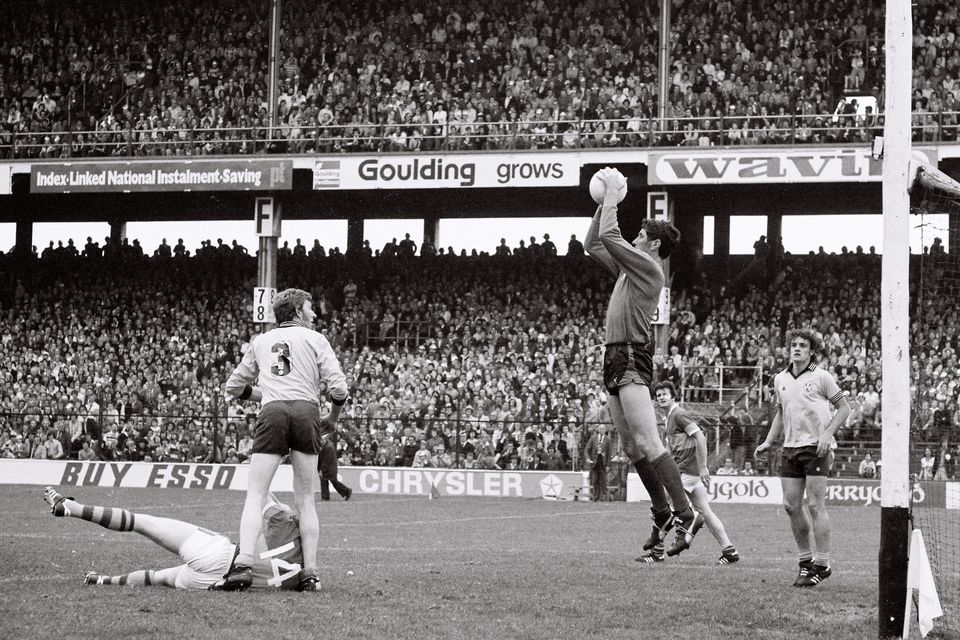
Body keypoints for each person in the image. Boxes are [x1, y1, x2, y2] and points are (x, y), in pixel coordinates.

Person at [584, 167, 703, 557]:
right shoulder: (629, 268)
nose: (633, 240)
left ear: (651, 245)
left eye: (639, 236)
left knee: (650, 442)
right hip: (614, 356)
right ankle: (662, 512)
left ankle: (685, 513)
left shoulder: (648, 267)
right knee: (633, 448)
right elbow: (592, 242)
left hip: (632, 355)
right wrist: (603, 201)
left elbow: (607, 235)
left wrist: (614, 197)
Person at [219, 288, 349, 592]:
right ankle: (310, 574)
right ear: (297, 312)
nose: (314, 313)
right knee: (305, 499)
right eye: (310, 308)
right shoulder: (316, 339)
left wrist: (272, 395)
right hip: (307, 412)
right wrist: (332, 417)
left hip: (272, 413)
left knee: (256, 494)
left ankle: (244, 566)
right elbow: (339, 389)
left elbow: (234, 387)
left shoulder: (260, 341)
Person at [43, 487, 303, 590]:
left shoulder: (285, 521)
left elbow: (261, 494)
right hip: (211, 584)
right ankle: (102, 580)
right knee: (159, 578)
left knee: (141, 522)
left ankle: (70, 508)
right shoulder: (300, 577)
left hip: (224, 557)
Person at [756, 328, 849, 588]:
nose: (796, 348)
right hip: (790, 448)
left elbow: (844, 408)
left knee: (815, 505)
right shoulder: (780, 379)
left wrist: (828, 435)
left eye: (802, 345)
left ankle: (823, 563)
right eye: (793, 344)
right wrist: (768, 441)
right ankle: (805, 561)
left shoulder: (822, 377)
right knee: (790, 505)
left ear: (811, 351)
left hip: (815, 448)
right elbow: (780, 412)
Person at [638, 381, 740, 565]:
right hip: (686, 470)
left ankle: (658, 551)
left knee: (662, 507)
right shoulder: (669, 417)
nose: (661, 397)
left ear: (673, 396)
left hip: (686, 470)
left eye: (665, 394)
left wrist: (703, 467)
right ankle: (729, 550)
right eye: (658, 394)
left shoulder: (678, 414)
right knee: (705, 510)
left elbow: (700, 436)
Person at [318, 430, 352, 501]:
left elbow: (326, 460)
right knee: (329, 481)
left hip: (329, 467)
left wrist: (321, 470)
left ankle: (346, 491)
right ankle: (326, 496)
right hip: (329, 467)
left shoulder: (328, 447)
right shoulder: (326, 445)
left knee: (330, 481)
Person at [585, 424, 613, 501]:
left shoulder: (608, 439)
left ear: (605, 430)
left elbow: (609, 453)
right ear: (598, 429)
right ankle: (595, 496)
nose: (601, 430)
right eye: (600, 429)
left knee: (603, 480)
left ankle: (604, 496)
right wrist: (588, 458)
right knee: (594, 480)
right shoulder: (593, 438)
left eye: (603, 429)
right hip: (594, 462)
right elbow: (587, 449)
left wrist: (608, 465)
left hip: (603, 462)